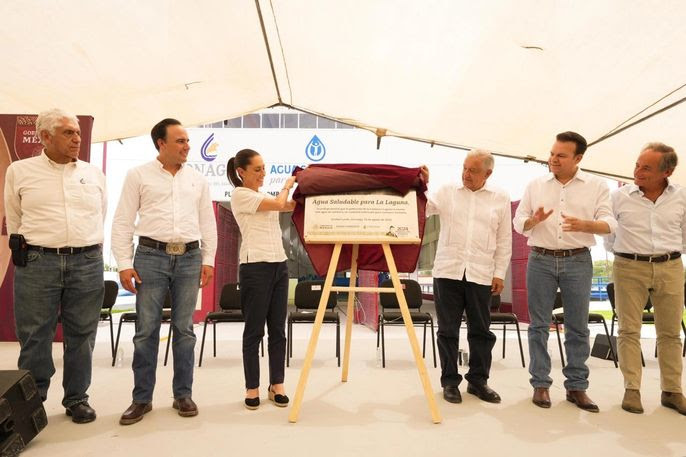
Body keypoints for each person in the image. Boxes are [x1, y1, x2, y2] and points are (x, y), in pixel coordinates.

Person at [3, 108, 106, 423]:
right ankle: (32, 403)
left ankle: (77, 399)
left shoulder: (93, 173)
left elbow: (100, 212)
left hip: (87, 261)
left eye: (77, 132)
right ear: (45, 137)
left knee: (82, 334)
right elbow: (15, 215)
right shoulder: (20, 171)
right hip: (37, 261)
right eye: (68, 132)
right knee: (34, 335)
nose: (77, 138)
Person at [112, 118, 217, 425]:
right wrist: (123, 263)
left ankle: (182, 394)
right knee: (146, 332)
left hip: (189, 257)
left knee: (184, 330)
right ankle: (141, 399)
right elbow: (122, 221)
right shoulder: (138, 175)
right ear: (161, 143)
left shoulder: (198, 179)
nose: (187, 146)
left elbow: (207, 222)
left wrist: (208, 259)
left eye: (187, 141)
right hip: (149, 257)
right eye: (181, 141)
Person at [513, 131, 616, 412]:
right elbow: (518, 221)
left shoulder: (596, 186)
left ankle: (576, 387)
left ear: (578, 158)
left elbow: (609, 221)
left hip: (578, 260)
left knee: (577, 327)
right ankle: (541, 385)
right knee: (538, 326)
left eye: (561, 155)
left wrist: (586, 225)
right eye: (552, 153)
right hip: (541, 260)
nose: (553, 159)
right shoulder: (535, 185)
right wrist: (533, 220)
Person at [422, 150, 512, 404]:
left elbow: (504, 239)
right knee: (447, 330)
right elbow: (424, 207)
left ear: (488, 173)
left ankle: (478, 381)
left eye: (473, 170)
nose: (466, 174)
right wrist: (424, 183)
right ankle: (450, 381)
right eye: (464, 168)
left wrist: (499, 273)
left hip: (481, 273)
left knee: (481, 331)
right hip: (448, 270)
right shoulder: (448, 191)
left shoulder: (500, 198)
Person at [605, 142, 686, 415]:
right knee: (629, 330)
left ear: (668, 171)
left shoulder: (682, 196)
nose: (638, 171)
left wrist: (666, 255)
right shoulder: (618, 197)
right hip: (629, 266)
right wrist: (630, 254)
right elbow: (609, 236)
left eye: (647, 168)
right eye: (637, 165)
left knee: (671, 333)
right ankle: (632, 389)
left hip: (671, 266)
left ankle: (672, 391)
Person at [227, 148, 295, 410]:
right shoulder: (240, 195)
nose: (262, 174)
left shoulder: (263, 196)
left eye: (264, 168)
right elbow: (280, 204)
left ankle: (276, 384)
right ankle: (252, 387)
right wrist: (288, 184)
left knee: (278, 330)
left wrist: (306, 191)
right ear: (241, 172)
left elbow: (287, 205)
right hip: (255, 268)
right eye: (257, 169)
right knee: (254, 331)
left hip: (279, 266)